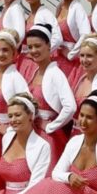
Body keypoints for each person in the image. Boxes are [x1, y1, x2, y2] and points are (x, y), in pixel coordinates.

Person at [24, 23, 76, 159]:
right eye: (30, 47)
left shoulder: (56, 73)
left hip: (47, 138)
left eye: (38, 46)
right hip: (31, 132)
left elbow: (70, 107)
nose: (34, 50)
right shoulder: (34, 72)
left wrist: (51, 126)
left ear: (48, 45)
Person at [0, 29, 30, 140]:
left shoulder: (16, 79)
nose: (0, 54)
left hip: (1, 137)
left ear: (14, 53)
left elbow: (28, 109)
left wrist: (9, 129)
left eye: (5, 50)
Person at [19, 0, 62, 79]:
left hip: (37, 63)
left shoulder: (45, 14)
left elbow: (58, 38)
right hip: (24, 63)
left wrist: (41, 53)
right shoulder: (28, 16)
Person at [54, 0, 91, 83]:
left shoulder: (77, 8)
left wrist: (72, 54)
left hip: (71, 65)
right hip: (57, 60)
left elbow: (86, 34)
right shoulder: (59, 7)